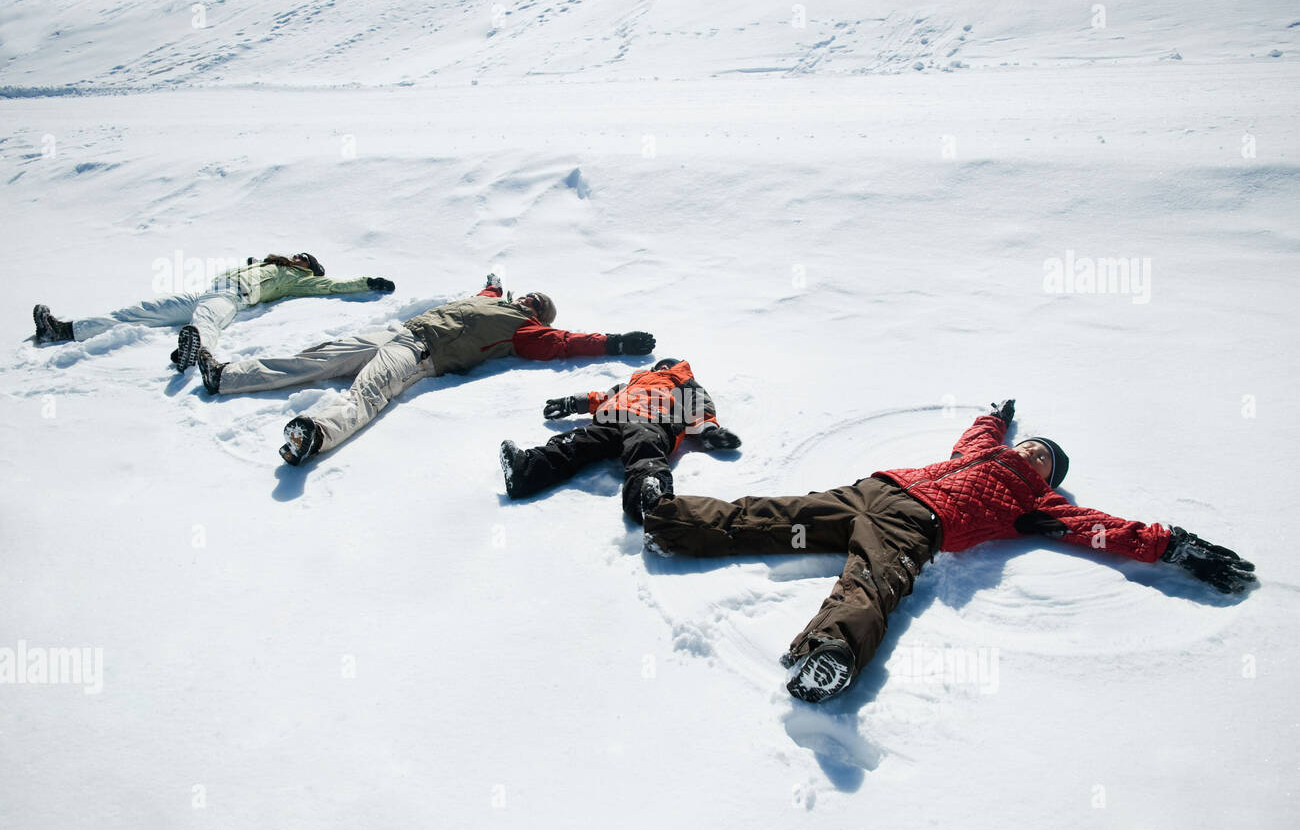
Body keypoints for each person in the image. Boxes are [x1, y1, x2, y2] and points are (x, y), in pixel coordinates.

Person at [641, 399, 1257, 703]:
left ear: (1049, 476)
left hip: (916, 524)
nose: (1035, 454)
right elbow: (980, 434)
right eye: (1036, 446)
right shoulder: (981, 452)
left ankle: (832, 652)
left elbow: (1104, 527)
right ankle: (667, 518)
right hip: (876, 489)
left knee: (874, 582)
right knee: (773, 515)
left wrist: (1174, 545)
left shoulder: (1038, 505)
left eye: (1046, 458)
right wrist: (996, 417)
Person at [196, 275, 656, 465]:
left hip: (422, 353)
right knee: (313, 358)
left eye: (537, 305)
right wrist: (494, 283)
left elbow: (567, 345)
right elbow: (486, 291)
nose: (529, 300)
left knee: (369, 392)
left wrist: (615, 342)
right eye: (529, 295)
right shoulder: (494, 300)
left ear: (540, 316)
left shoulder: (527, 332)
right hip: (398, 332)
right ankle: (225, 377)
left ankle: (315, 433)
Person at [31, 252, 396, 371]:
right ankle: (63, 330)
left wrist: (367, 281)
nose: (299, 257)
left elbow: (332, 286)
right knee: (140, 311)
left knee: (207, 321)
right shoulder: (262, 261)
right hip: (208, 290)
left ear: (308, 268)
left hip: (233, 296)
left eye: (306, 259)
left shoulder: (297, 279)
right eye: (300, 254)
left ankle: (196, 351)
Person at [499, 358, 742, 521]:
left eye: (666, 366)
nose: (661, 369)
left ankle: (649, 496)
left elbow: (699, 405)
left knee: (644, 447)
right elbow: (602, 397)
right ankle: (526, 470)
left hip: (652, 419)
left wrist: (709, 431)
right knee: (577, 441)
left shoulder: (682, 382)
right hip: (610, 419)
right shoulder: (630, 384)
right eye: (659, 367)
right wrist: (572, 402)